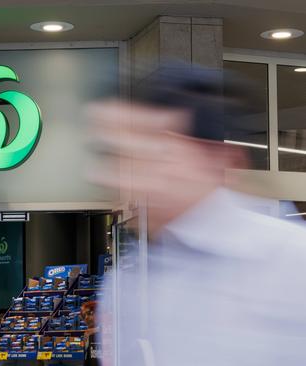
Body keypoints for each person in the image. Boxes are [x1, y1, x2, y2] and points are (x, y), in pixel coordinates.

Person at [88, 65, 306, 366]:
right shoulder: (126, 280)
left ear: (217, 157)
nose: (114, 176)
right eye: (117, 154)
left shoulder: (292, 262)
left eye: (155, 146)